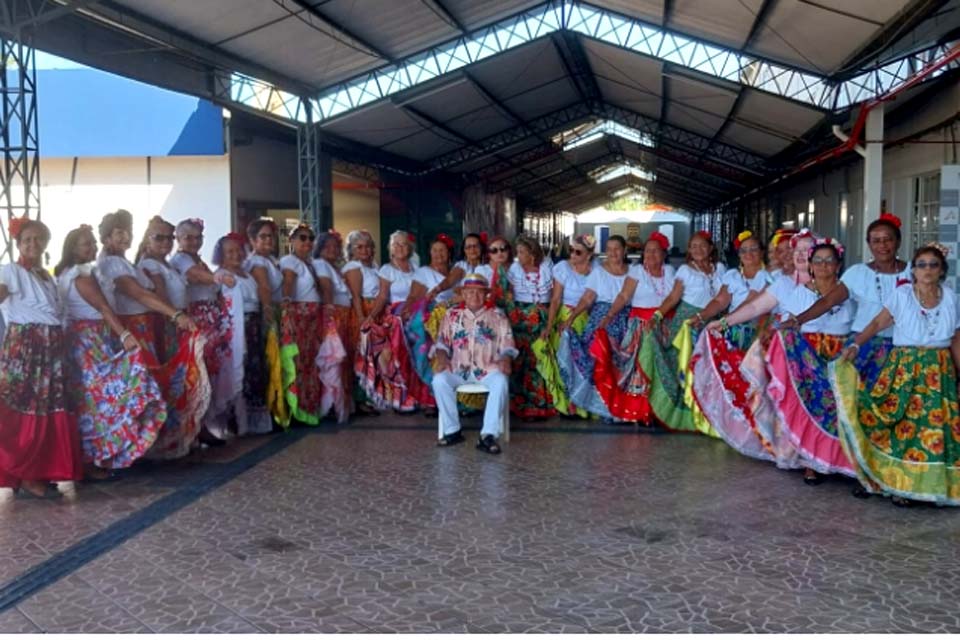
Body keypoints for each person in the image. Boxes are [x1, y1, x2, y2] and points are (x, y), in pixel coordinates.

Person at [832, 243, 960, 507]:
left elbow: (957, 337)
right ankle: (900, 485)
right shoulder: (902, 295)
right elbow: (879, 322)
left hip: (939, 370)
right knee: (902, 426)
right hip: (906, 368)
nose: (927, 270)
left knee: (933, 429)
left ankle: (928, 488)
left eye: (933, 265)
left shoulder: (951, 297)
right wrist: (856, 344)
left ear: (941, 270)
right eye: (921, 264)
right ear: (913, 270)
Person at [56, 225, 166, 478]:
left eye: (94, 243)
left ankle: (101, 457)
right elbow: (104, 308)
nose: (93, 247)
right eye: (87, 244)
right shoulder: (80, 275)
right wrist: (125, 335)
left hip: (92, 338)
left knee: (95, 400)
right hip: (89, 341)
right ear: (73, 248)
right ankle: (94, 459)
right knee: (98, 399)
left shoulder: (78, 273)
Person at [96, 209, 206, 460]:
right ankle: (135, 448)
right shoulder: (113, 263)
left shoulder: (124, 262)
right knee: (141, 389)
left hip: (146, 326)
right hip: (134, 328)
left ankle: (148, 445)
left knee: (152, 386)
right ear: (107, 237)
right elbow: (140, 294)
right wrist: (176, 315)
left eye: (127, 231)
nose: (125, 237)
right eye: (119, 232)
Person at [704, 230, 816, 467]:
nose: (798, 255)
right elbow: (755, 308)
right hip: (789, 349)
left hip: (818, 352)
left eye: (805, 251)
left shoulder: (832, 281)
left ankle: (817, 453)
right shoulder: (784, 283)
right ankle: (792, 450)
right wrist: (723, 322)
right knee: (786, 399)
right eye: (795, 251)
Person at [0, 217, 83, 498]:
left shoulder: (46, 276)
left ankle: (41, 469)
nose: (33, 244)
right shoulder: (11, 271)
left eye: (38, 239)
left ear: (46, 243)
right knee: (24, 408)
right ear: (18, 244)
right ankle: (23, 472)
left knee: (49, 408)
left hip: (51, 348)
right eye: (27, 240)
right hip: (26, 349)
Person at [788, 213, 910, 390]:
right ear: (869, 244)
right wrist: (797, 320)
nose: (882, 245)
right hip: (862, 347)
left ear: (898, 241)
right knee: (855, 400)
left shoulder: (913, 272)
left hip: (901, 347)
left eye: (887, 240)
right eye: (876, 241)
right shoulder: (857, 273)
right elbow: (828, 302)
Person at [690, 231, 774, 456]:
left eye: (753, 249)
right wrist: (702, 316)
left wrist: (727, 322)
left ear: (762, 252)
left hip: (756, 330)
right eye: (744, 250)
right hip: (734, 328)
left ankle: (756, 428)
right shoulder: (732, 276)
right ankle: (731, 424)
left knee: (754, 380)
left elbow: (753, 301)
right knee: (729, 376)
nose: (748, 254)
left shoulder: (767, 277)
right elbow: (720, 300)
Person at [638, 230, 725, 434]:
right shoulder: (685, 270)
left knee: (708, 368)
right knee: (684, 367)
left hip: (711, 322)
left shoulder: (720, 268)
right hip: (687, 323)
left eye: (702, 245)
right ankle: (681, 414)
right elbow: (673, 298)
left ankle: (706, 415)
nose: (698, 250)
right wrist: (657, 316)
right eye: (693, 246)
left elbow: (723, 297)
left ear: (711, 248)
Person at [592, 232, 676, 423]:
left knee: (662, 370)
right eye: (647, 251)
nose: (651, 255)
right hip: (641, 327)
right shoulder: (637, 272)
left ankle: (660, 412)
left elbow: (675, 298)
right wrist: (609, 315)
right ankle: (641, 412)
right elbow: (623, 296)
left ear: (664, 254)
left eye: (656, 251)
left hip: (664, 325)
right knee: (641, 370)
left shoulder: (670, 272)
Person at [431, 273, 517, 454]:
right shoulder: (452, 315)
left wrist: (506, 359)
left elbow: (508, 344)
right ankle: (453, 430)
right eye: (469, 292)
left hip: (487, 368)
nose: (474, 296)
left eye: (479, 292)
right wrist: (442, 357)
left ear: (486, 294)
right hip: (458, 368)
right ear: (463, 294)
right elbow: (442, 342)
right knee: (439, 381)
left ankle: (488, 435)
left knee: (501, 381)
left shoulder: (498, 315)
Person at [171, 218, 235, 444]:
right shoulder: (180, 259)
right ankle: (196, 428)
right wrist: (218, 277)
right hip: (197, 318)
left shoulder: (198, 260)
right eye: (188, 237)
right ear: (178, 239)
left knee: (211, 371)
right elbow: (195, 277)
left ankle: (206, 424)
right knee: (200, 372)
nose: (193, 242)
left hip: (210, 318)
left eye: (198, 237)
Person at [558, 235, 630, 419]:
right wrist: (571, 318)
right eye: (609, 248)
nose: (613, 253)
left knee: (620, 366)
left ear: (625, 250)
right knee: (596, 360)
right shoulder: (599, 272)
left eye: (617, 248)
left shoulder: (633, 272)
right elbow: (588, 297)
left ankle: (617, 408)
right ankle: (596, 405)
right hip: (601, 318)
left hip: (626, 319)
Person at [355, 230, 425, 412]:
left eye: (403, 244)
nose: (400, 248)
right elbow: (383, 296)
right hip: (397, 317)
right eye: (396, 245)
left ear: (409, 248)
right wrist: (370, 317)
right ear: (391, 249)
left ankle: (420, 396)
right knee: (398, 359)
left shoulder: (417, 269)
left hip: (416, 315)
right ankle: (401, 399)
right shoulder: (387, 269)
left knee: (419, 357)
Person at [211, 233, 273, 436]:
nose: (235, 254)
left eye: (238, 250)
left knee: (256, 371)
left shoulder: (247, 274)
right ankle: (237, 422)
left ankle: (254, 421)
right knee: (239, 371)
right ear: (221, 255)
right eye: (230, 251)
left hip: (253, 324)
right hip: (236, 328)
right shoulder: (221, 275)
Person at [536, 233, 595, 417]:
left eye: (578, 252)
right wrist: (549, 326)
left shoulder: (596, 271)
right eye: (571, 251)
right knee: (563, 360)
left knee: (583, 363)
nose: (573, 255)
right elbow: (555, 300)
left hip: (585, 317)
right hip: (564, 316)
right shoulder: (562, 268)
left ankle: (582, 404)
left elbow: (591, 298)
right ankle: (567, 404)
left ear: (589, 255)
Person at [401, 234, 457, 417]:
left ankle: (457, 398)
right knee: (433, 357)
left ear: (449, 253)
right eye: (435, 250)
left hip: (455, 320)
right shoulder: (423, 272)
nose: (438, 254)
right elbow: (414, 297)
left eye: (442, 250)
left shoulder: (455, 272)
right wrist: (408, 311)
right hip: (432, 320)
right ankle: (432, 401)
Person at [278, 223, 325, 425]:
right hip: (299, 317)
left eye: (310, 239)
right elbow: (288, 284)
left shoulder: (310, 263)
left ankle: (309, 405)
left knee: (310, 362)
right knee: (298, 361)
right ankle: (296, 407)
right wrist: (286, 306)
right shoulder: (290, 261)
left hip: (313, 318)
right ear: (292, 241)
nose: (307, 242)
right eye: (302, 238)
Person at [244, 217, 287, 427]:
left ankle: (276, 409)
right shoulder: (257, 261)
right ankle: (267, 413)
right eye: (263, 236)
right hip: (266, 312)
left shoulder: (270, 259)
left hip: (276, 310)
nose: (268, 240)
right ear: (252, 240)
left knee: (275, 361)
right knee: (268, 359)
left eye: (271, 236)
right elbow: (264, 288)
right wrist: (270, 314)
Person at [507, 236, 555, 420]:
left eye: (521, 252)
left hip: (541, 318)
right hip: (521, 319)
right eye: (517, 252)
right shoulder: (515, 269)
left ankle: (540, 405)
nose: (518, 256)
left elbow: (553, 296)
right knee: (521, 361)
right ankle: (519, 405)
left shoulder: (547, 268)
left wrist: (549, 323)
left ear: (532, 253)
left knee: (539, 359)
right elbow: (511, 295)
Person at [342, 229, 383, 417]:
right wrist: (361, 320)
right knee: (362, 354)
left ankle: (371, 396)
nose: (365, 250)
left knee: (374, 357)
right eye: (359, 247)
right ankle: (360, 399)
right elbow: (356, 297)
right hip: (364, 313)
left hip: (376, 313)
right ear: (352, 250)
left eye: (368, 246)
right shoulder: (353, 267)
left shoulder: (374, 266)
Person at [313, 229, 353, 423]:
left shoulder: (335, 267)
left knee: (341, 361)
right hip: (334, 315)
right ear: (319, 249)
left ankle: (340, 405)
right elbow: (326, 287)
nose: (331, 250)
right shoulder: (321, 264)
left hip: (343, 315)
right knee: (333, 359)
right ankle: (330, 405)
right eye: (327, 246)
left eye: (335, 247)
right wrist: (329, 311)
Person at [135, 216, 187, 359]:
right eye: (159, 238)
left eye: (170, 238)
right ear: (147, 240)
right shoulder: (150, 264)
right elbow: (161, 297)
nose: (166, 242)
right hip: (167, 323)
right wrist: (178, 318)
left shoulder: (166, 264)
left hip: (177, 321)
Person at [427, 232, 486, 302]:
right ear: (464, 250)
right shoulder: (462, 266)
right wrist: (436, 290)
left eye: (475, 246)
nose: (472, 250)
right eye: (468, 247)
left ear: (481, 248)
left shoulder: (487, 267)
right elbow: (449, 281)